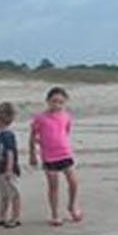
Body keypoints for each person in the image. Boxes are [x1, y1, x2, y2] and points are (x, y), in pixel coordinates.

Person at [29, 87, 82, 226]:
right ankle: (55, 214)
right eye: (54, 101)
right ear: (48, 101)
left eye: (60, 102)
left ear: (65, 102)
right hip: (49, 156)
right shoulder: (40, 118)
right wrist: (32, 154)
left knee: (73, 182)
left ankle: (72, 206)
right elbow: (33, 136)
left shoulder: (66, 116)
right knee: (53, 186)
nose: (57, 105)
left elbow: (66, 132)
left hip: (65, 154)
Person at [0, 102, 22, 228]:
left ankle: (15, 217)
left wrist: (9, 169)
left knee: (14, 194)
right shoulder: (1, 135)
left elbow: (10, 153)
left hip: (8, 170)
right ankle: (2, 216)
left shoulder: (7, 135)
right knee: (3, 194)